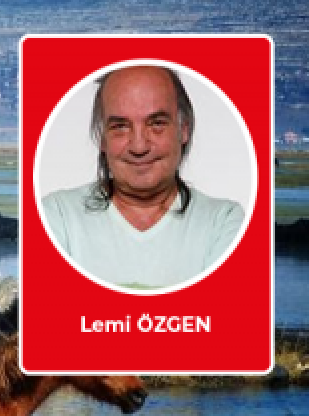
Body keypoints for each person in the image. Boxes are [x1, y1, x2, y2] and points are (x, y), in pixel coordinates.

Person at [42, 65, 244, 290]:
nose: (139, 146)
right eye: (120, 127)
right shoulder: (56, 216)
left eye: (156, 124)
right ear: (101, 138)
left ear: (183, 130)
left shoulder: (224, 222)